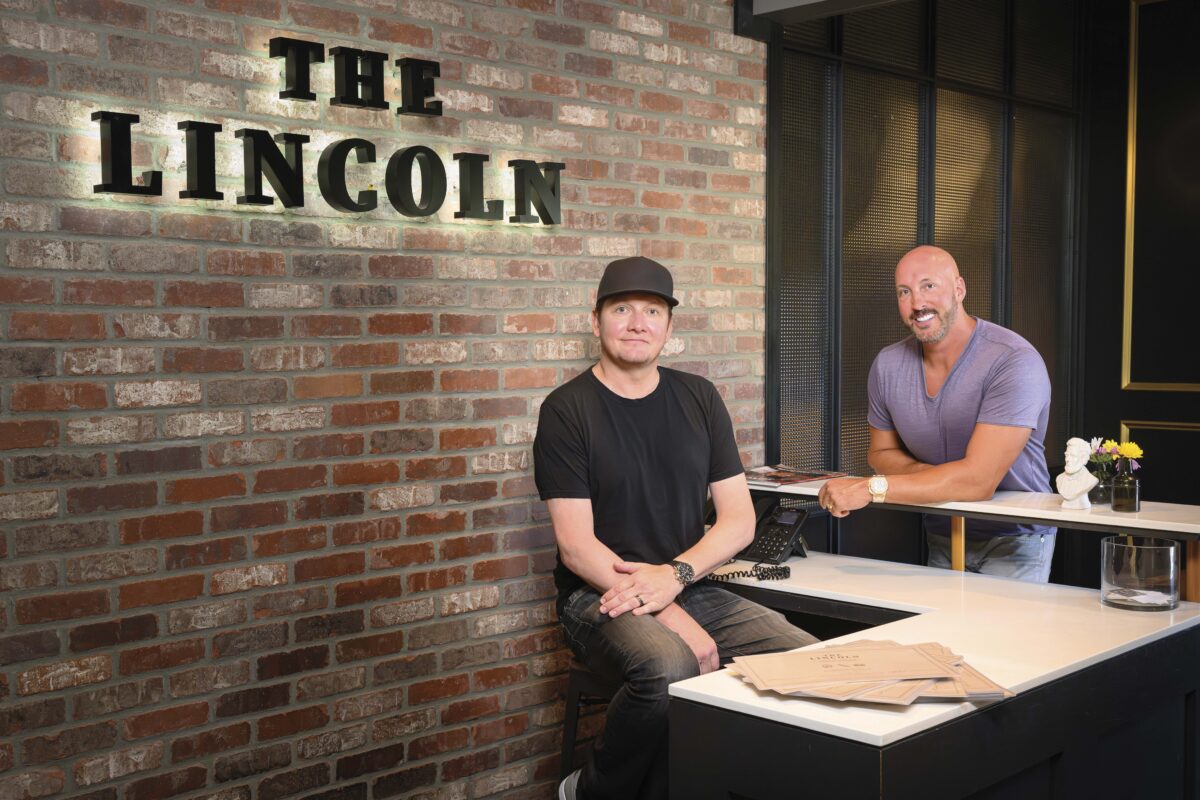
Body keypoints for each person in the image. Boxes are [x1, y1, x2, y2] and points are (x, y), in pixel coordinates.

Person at [534, 256, 816, 800]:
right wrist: (662, 606)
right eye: (622, 309)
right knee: (670, 665)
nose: (638, 322)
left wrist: (676, 578)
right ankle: (590, 791)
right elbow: (576, 547)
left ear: (669, 327)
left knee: (806, 662)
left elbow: (739, 520)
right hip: (597, 595)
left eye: (653, 311)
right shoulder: (566, 410)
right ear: (596, 321)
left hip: (689, 584)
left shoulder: (699, 398)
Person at [817, 245, 1055, 582]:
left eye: (929, 286)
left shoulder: (1013, 360)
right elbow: (881, 452)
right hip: (941, 530)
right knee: (941, 636)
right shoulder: (888, 364)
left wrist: (871, 488)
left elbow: (978, 481)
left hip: (1014, 538)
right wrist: (939, 480)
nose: (917, 303)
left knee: (999, 637)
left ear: (959, 289)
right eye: (904, 292)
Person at [1056, 437, 1098, 509]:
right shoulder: (1059, 478)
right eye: (1067, 455)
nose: (1068, 459)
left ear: (1084, 458)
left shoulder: (1090, 480)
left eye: (1072, 456)